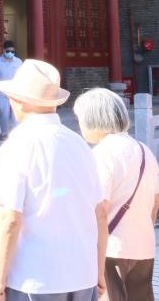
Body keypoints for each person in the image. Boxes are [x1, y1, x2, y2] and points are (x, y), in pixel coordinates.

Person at [0, 59, 107, 301]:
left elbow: (10, 218)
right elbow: (100, 212)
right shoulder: (80, 144)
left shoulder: (18, 145)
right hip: (83, 273)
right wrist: (99, 270)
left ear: (20, 102)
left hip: (36, 276)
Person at [73, 87, 159, 301]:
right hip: (144, 246)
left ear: (94, 119)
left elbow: (100, 210)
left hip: (111, 250)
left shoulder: (102, 154)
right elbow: (155, 202)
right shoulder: (144, 150)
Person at [0, 40, 23, 140]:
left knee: (16, 115)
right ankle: (4, 134)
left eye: (12, 51)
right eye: (8, 51)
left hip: (15, 93)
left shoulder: (19, 62)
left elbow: (23, 76)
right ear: (3, 50)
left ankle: (16, 134)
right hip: (2, 93)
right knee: (4, 115)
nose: (10, 53)